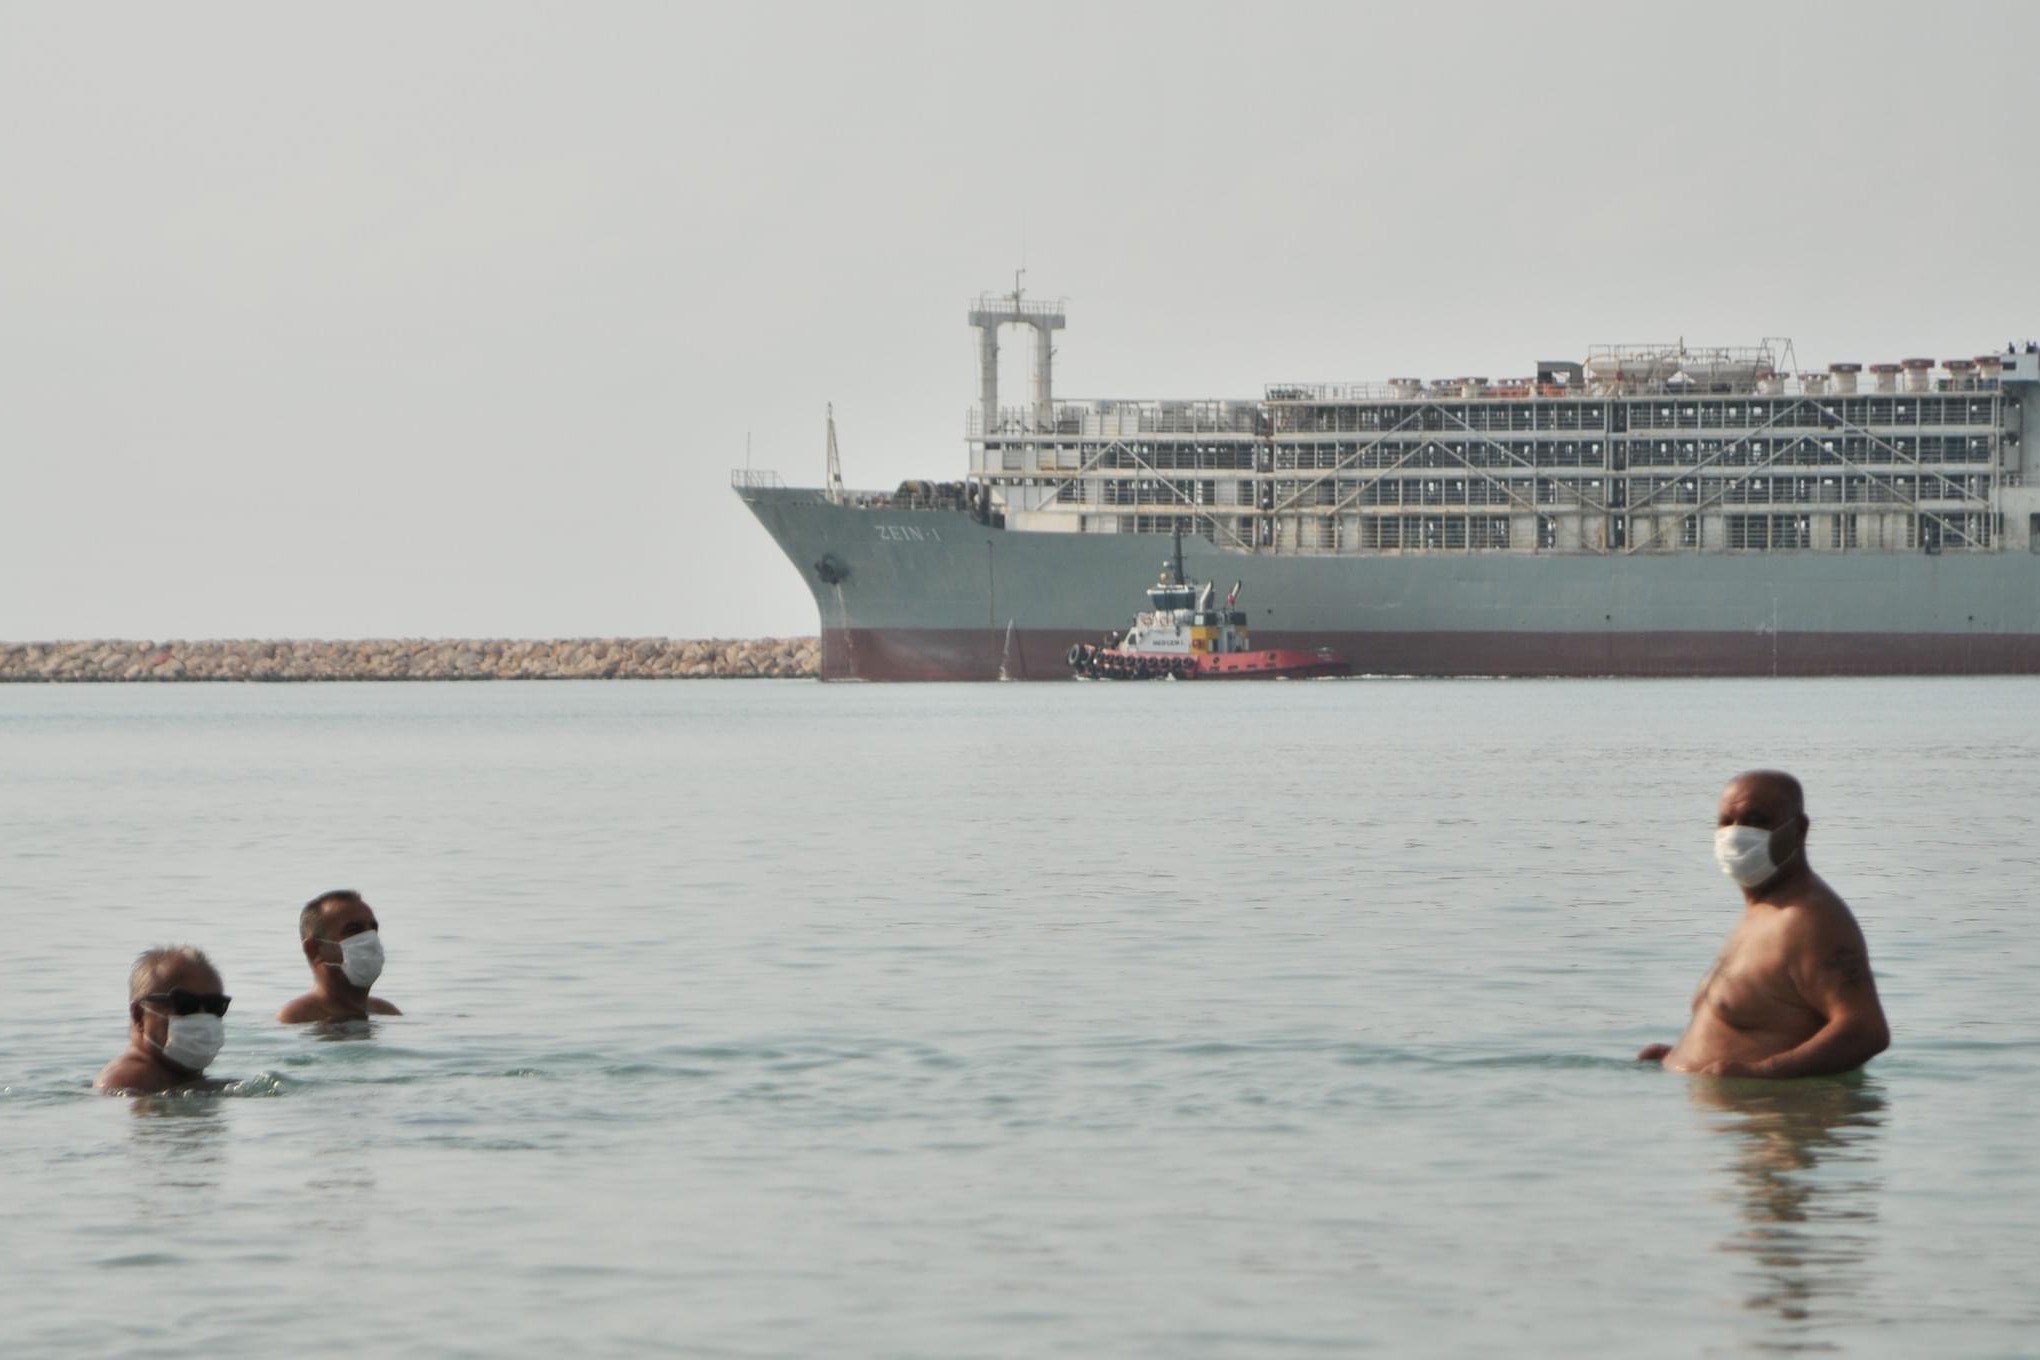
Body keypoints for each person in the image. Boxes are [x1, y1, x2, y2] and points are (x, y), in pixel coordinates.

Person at [1638, 771, 1890, 1078]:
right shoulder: (1761, 911)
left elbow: (1865, 1030)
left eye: (1756, 820)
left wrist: (1763, 1071)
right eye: (1726, 821)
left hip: (1779, 1119)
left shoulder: (1810, 919)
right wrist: (1678, 1056)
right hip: (1736, 1117)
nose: (1736, 832)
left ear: (1799, 830)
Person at [95, 946, 232, 1093]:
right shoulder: (129, 1080)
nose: (203, 1016)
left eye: (215, 1006)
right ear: (139, 1014)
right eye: (185, 1003)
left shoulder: (174, 1077)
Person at [277, 889, 402, 1023]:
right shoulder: (297, 1018)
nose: (369, 939)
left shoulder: (387, 1012)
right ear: (315, 950)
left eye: (373, 929)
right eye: (353, 930)